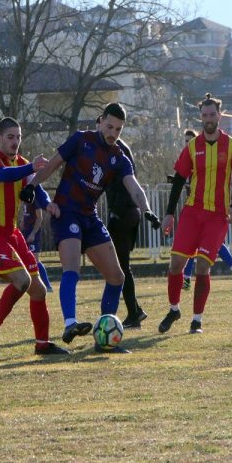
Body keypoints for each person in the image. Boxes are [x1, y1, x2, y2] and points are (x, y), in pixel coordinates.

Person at [26, 102, 160, 353]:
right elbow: (53, 164)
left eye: (118, 130)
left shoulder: (119, 157)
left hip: (90, 217)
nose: (112, 133)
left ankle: (103, 340)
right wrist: (32, 186)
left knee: (117, 276)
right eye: (109, 126)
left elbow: (134, 186)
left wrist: (147, 210)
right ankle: (70, 323)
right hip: (67, 214)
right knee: (72, 268)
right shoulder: (80, 140)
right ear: (100, 121)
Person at [0, 117, 68, 358]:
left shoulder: (24, 163)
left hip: (12, 234)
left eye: (18, 137)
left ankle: (42, 345)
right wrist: (31, 168)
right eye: (10, 137)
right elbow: (4, 176)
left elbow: (36, 188)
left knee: (38, 290)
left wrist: (49, 205)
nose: (15, 141)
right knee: (23, 280)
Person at [158, 94, 232, 335]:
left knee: (201, 267)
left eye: (212, 114)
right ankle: (174, 309)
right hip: (192, 213)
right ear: (201, 117)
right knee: (176, 263)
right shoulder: (192, 147)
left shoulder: (231, 146)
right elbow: (178, 180)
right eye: (204, 115)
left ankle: (197, 319)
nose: (208, 119)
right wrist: (169, 214)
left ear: (219, 115)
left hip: (216, 217)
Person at [176, 129, 232, 291]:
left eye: (189, 141)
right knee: (208, 244)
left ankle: (186, 278)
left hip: (212, 211)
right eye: (185, 141)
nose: (187, 144)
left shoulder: (204, 158)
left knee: (197, 245)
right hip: (196, 211)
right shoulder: (190, 159)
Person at [101, 117, 148, 329]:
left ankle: (133, 312)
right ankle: (134, 310)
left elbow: (124, 182)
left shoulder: (115, 149)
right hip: (130, 211)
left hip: (122, 212)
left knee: (118, 266)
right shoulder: (120, 147)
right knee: (121, 264)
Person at [20, 199, 52, 292]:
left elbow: (39, 218)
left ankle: (47, 285)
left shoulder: (35, 198)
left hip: (33, 234)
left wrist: (33, 233)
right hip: (26, 232)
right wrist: (22, 221)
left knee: (35, 260)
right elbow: (26, 212)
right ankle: (31, 284)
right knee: (26, 259)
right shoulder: (25, 198)